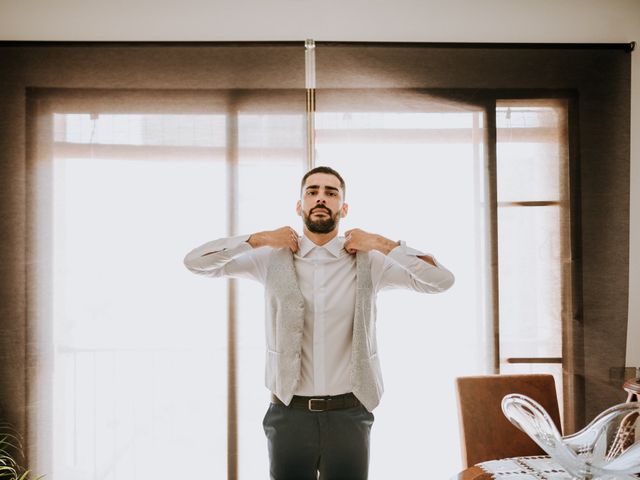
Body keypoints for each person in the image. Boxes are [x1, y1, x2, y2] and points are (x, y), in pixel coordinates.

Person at [183, 165, 454, 480]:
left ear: (344, 207)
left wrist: (380, 242)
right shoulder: (270, 259)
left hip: (350, 416)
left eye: (331, 192)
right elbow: (195, 263)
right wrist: (259, 239)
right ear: (300, 206)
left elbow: (441, 280)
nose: (321, 198)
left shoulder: (371, 262)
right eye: (312, 192)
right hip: (288, 416)